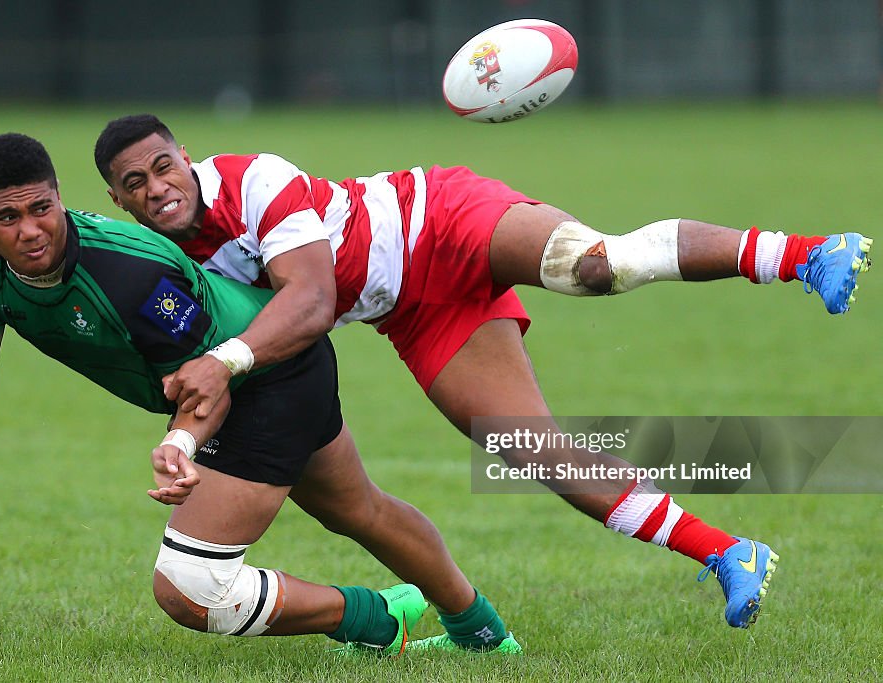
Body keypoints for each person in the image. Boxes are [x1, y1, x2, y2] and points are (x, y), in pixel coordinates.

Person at [90, 114, 872, 632]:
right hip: (417, 312)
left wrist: (224, 360)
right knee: (535, 453)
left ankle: (808, 253)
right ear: (119, 200)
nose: (157, 187)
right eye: (136, 184)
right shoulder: (170, 259)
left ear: (185, 155)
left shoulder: (256, 177)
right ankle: (729, 552)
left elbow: (314, 297)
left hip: (441, 217)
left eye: (164, 166)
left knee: (596, 265)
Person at [0, 133, 523, 655]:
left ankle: (382, 621)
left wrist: (181, 441)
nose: (31, 231)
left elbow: (211, 382)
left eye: (41, 209)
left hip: (264, 379)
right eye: (7, 219)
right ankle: (483, 635)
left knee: (191, 589)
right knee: (357, 509)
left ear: (60, 198)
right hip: (256, 377)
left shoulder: (130, 274)